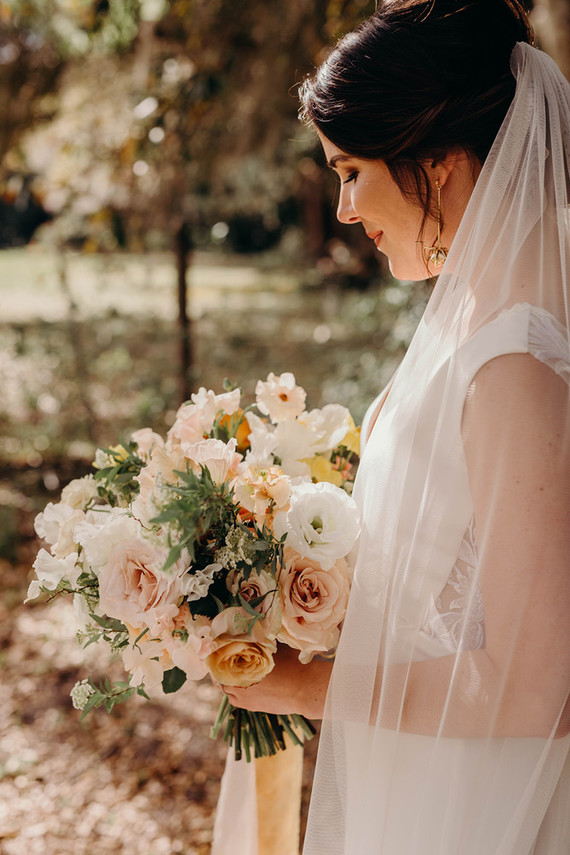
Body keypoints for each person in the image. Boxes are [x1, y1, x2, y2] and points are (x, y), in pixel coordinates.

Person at [219, 1, 570, 852]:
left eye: (351, 170)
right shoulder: (473, 323)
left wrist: (305, 685)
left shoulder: (514, 368)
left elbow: (535, 689)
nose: (343, 208)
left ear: (438, 162)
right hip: (419, 765)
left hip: (475, 802)